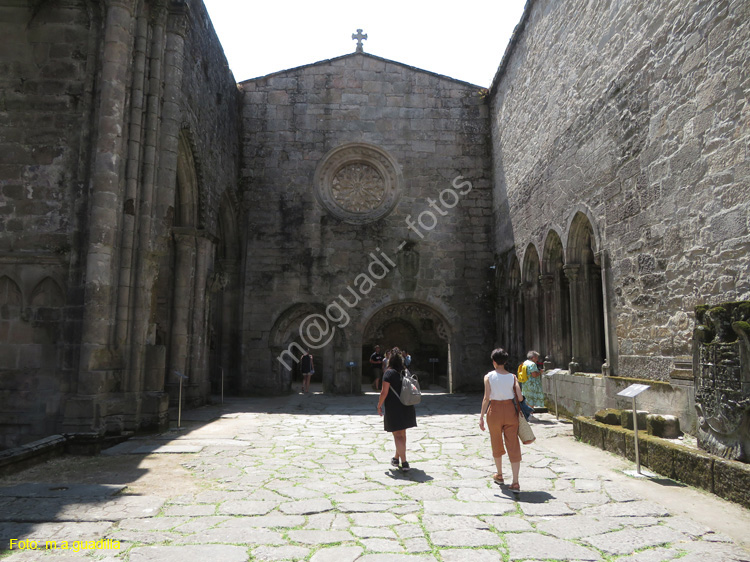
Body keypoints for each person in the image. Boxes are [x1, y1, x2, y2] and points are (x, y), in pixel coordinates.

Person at [479, 347, 523, 491]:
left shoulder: (489, 376)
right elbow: (520, 397)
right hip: (510, 411)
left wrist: (481, 417)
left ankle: (499, 474)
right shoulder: (512, 377)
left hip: (495, 411)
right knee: (513, 444)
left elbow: (486, 398)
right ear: (505, 361)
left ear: (494, 361)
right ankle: (515, 481)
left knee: (496, 440)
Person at [377, 352, 416, 472]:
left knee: (397, 435)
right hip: (407, 405)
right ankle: (396, 458)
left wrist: (379, 405)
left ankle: (404, 463)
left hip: (394, 407)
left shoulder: (389, 373)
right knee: (402, 434)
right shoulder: (405, 372)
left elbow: (384, 392)